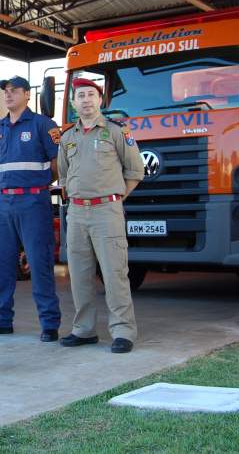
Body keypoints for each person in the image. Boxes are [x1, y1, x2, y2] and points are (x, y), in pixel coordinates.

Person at [57, 77, 144, 354]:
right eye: (80, 95)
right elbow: (63, 175)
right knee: (79, 275)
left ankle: (122, 332)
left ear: (100, 101)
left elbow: (135, 172)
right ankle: (84, 330)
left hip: (107, 211)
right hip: (77, 213)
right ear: (73, 103)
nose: (85, 100)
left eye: (90, 95)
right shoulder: (67, 137)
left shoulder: (117, 132)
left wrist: (114, 199)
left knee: (114, 273)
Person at [0, 76, 61, 339]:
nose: (8, 94)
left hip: (33, 201)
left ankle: (49, 324)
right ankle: (0, 320)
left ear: (27, 94)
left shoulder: (43, 125)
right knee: (1, 264)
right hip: (4, 203)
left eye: (14, 90)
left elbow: (57, 164)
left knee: (39, 263)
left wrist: (35, 185)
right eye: (5, 91)